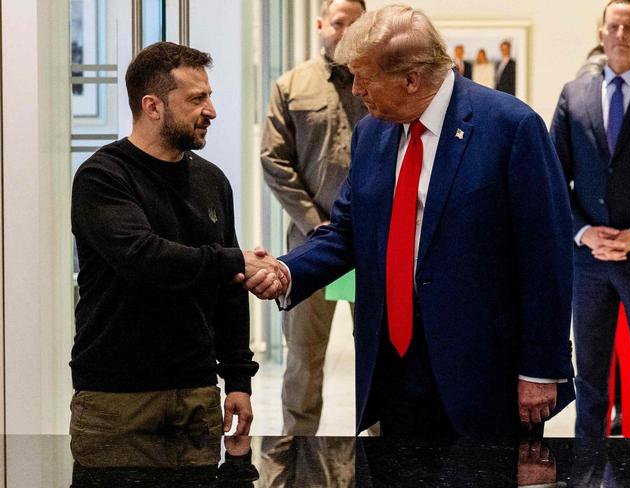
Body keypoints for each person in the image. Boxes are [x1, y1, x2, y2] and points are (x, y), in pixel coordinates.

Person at [244, 5, 575, 439]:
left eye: (364, 77)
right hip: (393, 365)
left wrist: (541, 368)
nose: (356, 88)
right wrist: (287, 270)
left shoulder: (511, 128)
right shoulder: (372, 133)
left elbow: (546, 255)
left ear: (411, 79)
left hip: (483, 371)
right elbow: (347, 230)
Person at [70, 41, 287, 439]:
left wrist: (238, 379)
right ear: (152, 106)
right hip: (117, 400)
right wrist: (235, 261)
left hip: (197, 394)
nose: (211, 110)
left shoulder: (211, 180)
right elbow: (143, 257)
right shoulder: (102, 177)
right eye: (196, 98)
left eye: (210, 96)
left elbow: (229, 290)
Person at [260, 0, 366, 435]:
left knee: (382, 361)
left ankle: (388, 463)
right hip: (310, 247)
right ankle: (295, 457)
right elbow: (274, 159)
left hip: (371, 248)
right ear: (322, 25)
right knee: (303, 361)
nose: (346, 33)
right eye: (339, 24)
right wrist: (314, 222)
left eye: (356, 26)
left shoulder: (381, 85)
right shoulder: (291, 85)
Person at [550, 0, 630, 438]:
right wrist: (584, 231)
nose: (621, 35)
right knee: (589, 378)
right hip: (588, 262)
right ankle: (586, 469)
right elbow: (554, 178)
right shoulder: (575, 94)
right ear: (600, 32)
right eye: (614, 26)